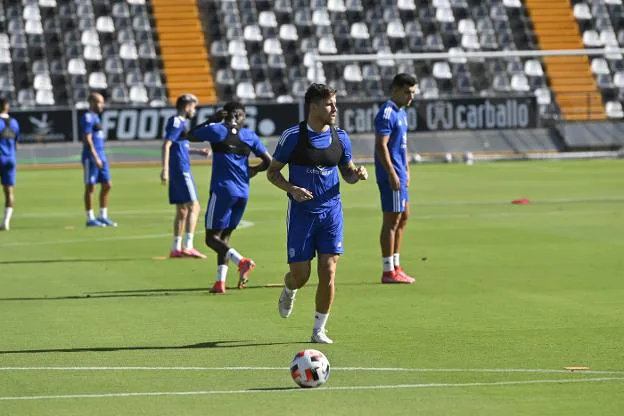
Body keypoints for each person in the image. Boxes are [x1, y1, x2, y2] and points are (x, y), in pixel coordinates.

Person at [267, 83, 368, 344]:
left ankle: (318, 330)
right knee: (301, 276)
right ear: (313, 107)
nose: (335, 108)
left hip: (331, 213)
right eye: (328, 104)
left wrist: (356, 175)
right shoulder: (293, 136)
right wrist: (291, 189)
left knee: (329, 270)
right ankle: (289, 288)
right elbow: (272, 172)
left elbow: (347, 172)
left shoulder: (341, 137)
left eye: (335, 103)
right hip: (302, 215)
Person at [188, 102, 272, 294]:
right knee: (224, 238)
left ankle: (241, 261)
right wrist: (253, 170)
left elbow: (190, 135)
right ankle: (220, 282)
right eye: (243, 117)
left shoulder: (217, 130)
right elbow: (268, 161)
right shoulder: (249, 135)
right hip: (243, 192)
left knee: (211, 239)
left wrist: (211, 120)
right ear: (239, 116)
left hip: (222, 190)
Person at [374, 73, 418, 284]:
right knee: (391, 222)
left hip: (400, 173)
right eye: (407, 92)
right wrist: (392, 173)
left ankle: (396, 265)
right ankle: (387, 270)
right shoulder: (387, 113)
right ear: (395, 90)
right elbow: (381, 146)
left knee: (403, 217)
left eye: (413, 93)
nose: (411, 97)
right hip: (390, 175)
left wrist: (406, 170)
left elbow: (402, 146)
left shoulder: (401, 113)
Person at [160, 93, 211, 258]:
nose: (194, 110)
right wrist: (165, 169)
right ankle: (188, 246)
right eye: (194, 106)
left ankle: (176, 248)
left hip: (179, 168)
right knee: (194, 206)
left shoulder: (180, 123)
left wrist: (198, 152)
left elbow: (179, 146)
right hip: (180, 169)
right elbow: (167, 145)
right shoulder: (176, 121)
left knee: (182, 209)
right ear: (187, 106)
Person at [80, 92, 117, 227]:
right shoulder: (88, 117)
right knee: (91, 187)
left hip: (102, 155)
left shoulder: (96, 117)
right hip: (91, 157)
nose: (102, 105)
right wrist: (95, 156)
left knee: (107, 184)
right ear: (92, 103)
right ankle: (90, 218)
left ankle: (103, 216)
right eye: (99, 102)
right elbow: (87, 138)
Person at [0, 97, 20, 231]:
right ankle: (6, 222)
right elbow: (17, 143)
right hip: (11, 158)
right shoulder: (14, 123)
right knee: (9, 191)